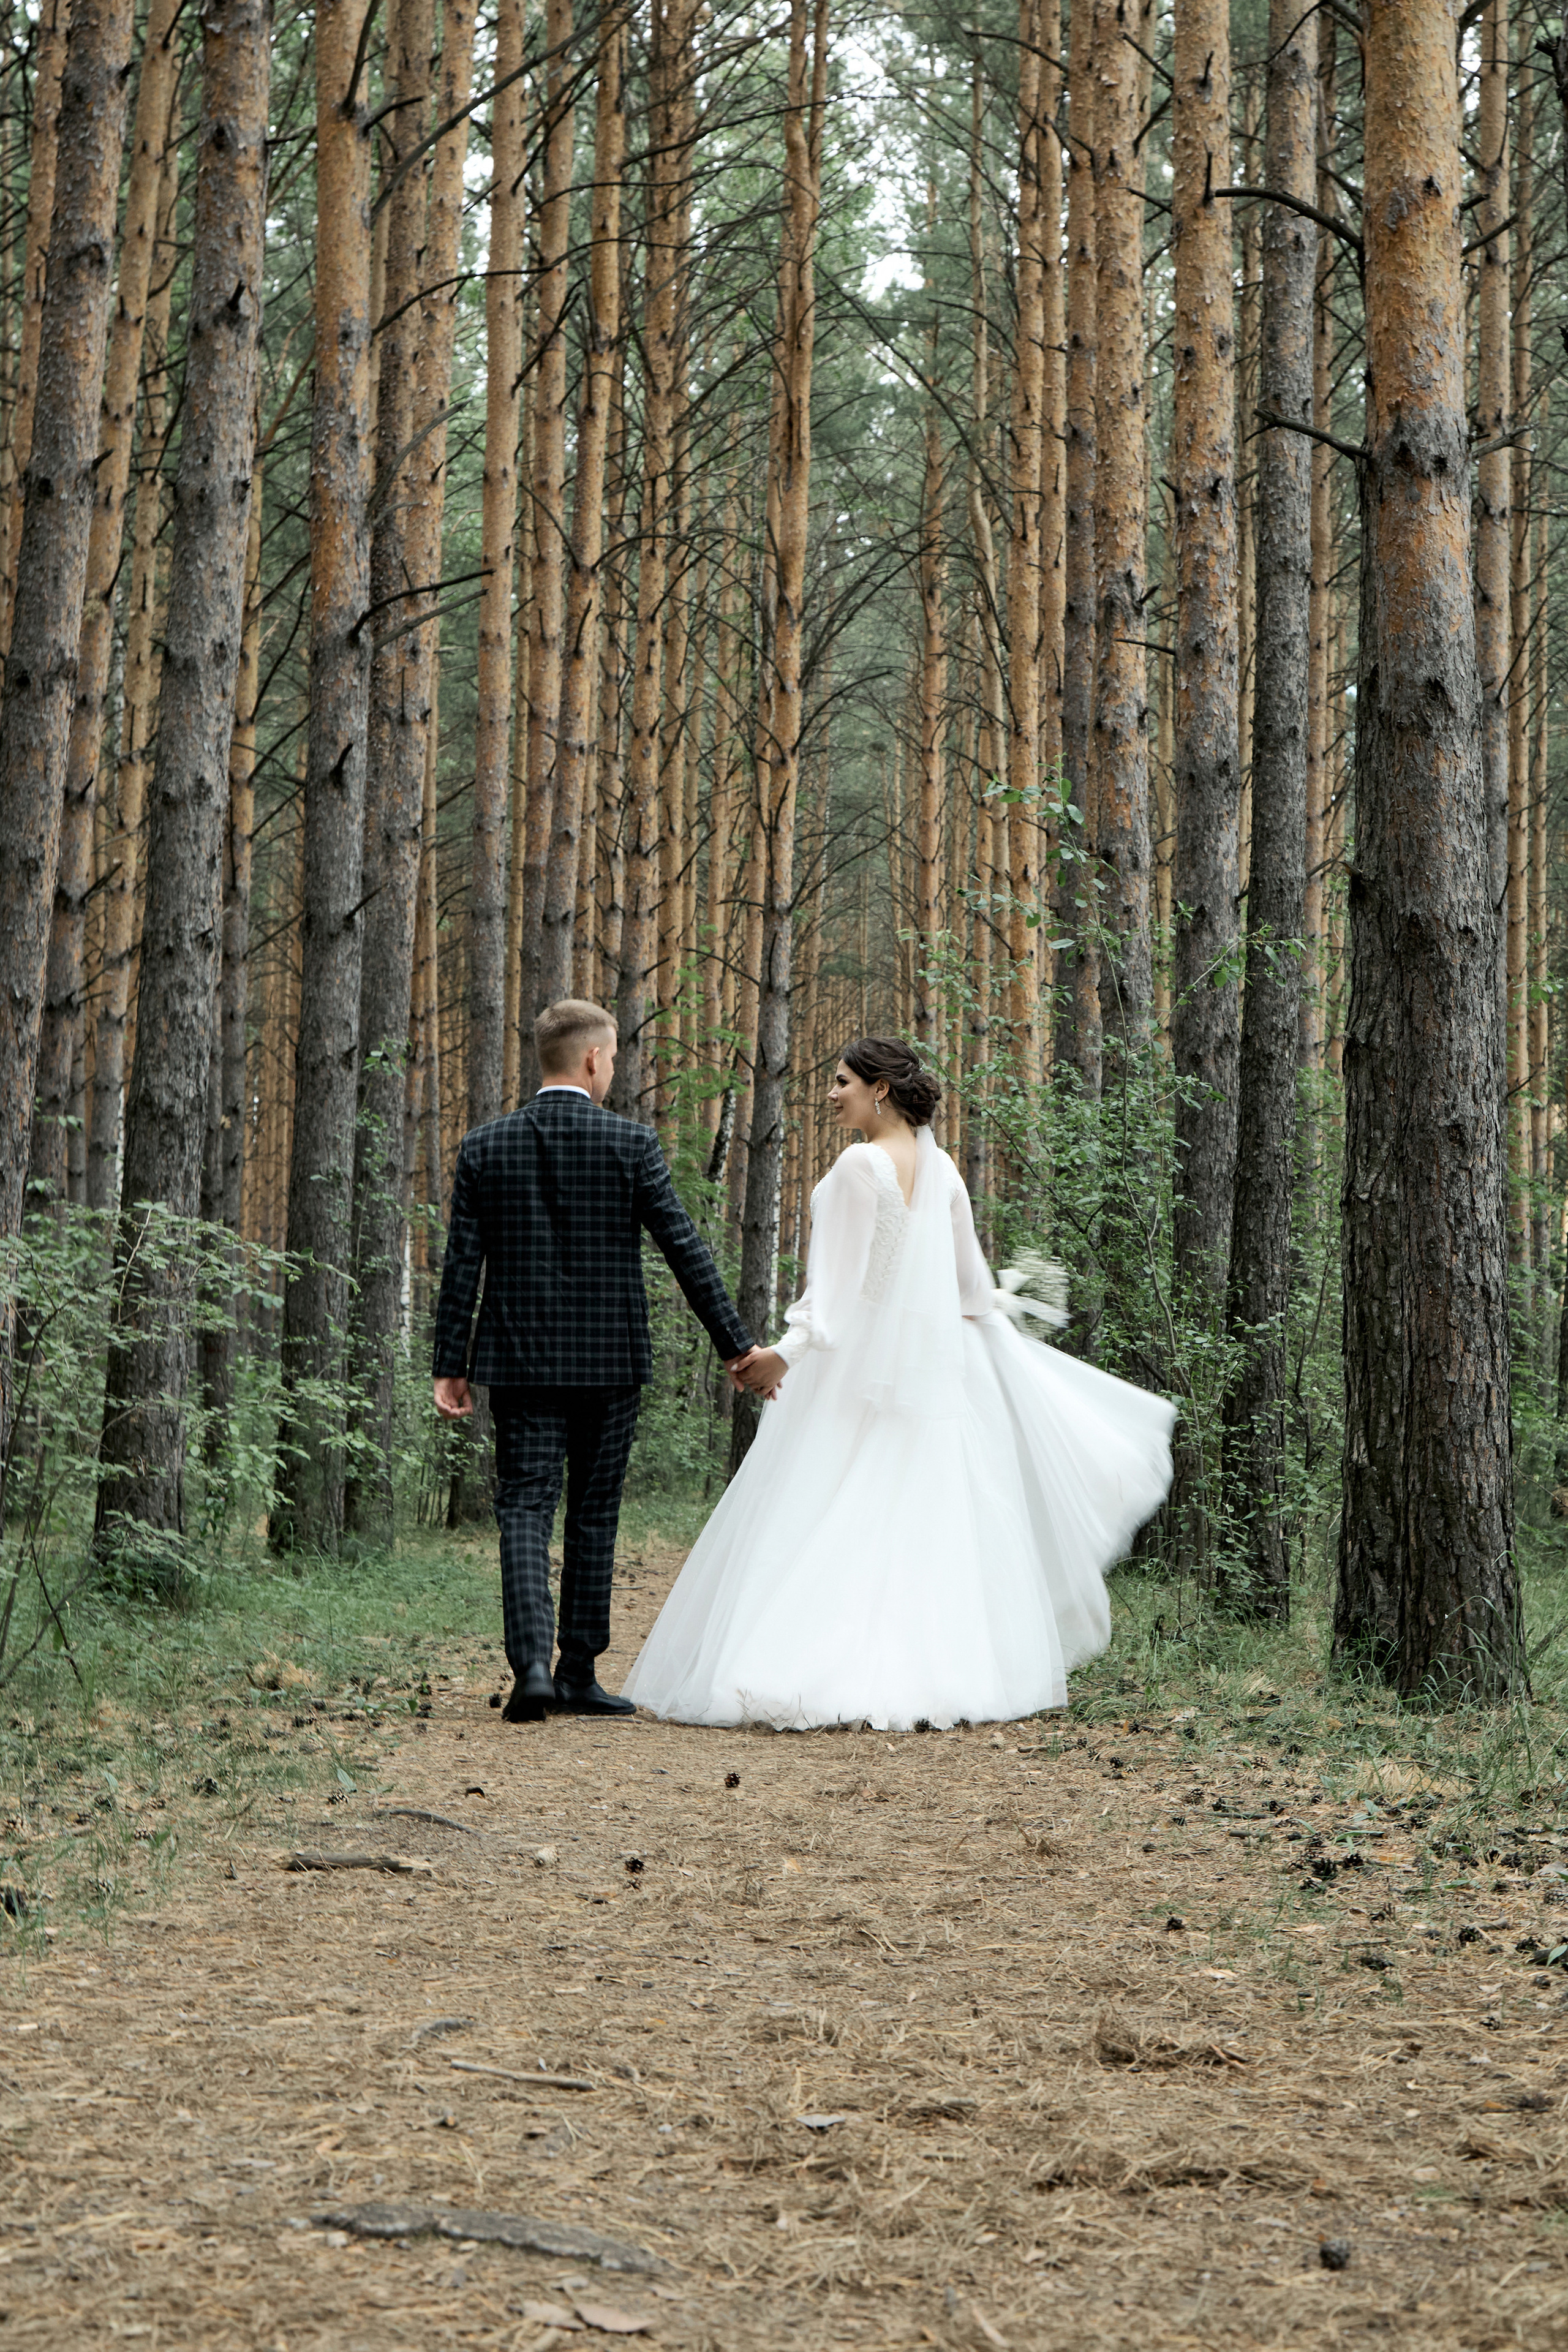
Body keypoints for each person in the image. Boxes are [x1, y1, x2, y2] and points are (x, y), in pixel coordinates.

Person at [622, 1038, 1176, 1731]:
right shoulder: (940, 1167)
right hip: (925, 1379)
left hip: (849, 1374)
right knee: (910, 1525)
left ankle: (814, 1671)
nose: (832, 1093)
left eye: (842, 1080)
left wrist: (783, 1354)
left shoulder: (860, 1164)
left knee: (829, 1510)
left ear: (881, 1089)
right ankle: (935, 1678)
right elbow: (972, 1290)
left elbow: (838, 1290)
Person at [431, 999, 758, 1722]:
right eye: (610, 1057)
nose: (611, 1068)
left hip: (517, 1361)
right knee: (593, 1512)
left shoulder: (485, 1147)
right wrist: (736, 1345)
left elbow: (462, 1266)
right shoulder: (631, 1146)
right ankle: (577, 1670)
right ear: (589, 1059)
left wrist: (448, 1362)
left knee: (522, 1507)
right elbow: (685, 1250)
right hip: (610, 1364)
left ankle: (532, 1672)